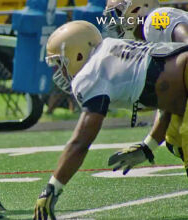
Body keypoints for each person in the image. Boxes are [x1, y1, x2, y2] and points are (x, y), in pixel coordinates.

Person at [33, 20, 188, 220]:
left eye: (60, 64)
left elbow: (81, 142)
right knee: (175, 140)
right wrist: (148, 146)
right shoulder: (112, 47)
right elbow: (170, 99)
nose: (60, 72)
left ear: (77, 55)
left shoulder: (90, 75)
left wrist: (52, 188)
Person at [103, 0, 188, 174]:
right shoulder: (151, 39)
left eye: (118, 13)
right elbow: (167, 107)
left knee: (181, 132)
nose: (116, 21)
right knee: (173, 137)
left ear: (137, 7)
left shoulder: (155, 19)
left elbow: (185, 38)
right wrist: (148, 147)